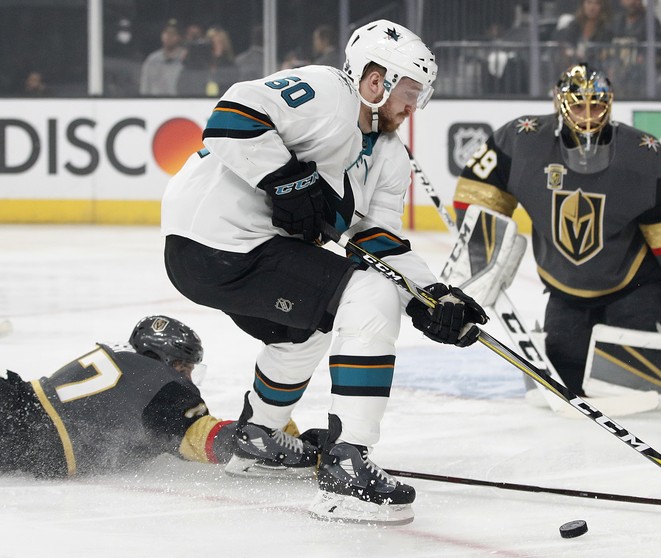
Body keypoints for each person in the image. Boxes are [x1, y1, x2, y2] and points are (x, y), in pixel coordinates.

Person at [161, 20, 486, 524]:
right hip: (216, 240)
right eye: (409, 92)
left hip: (237, 254)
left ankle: (257, 438)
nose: (412, 107)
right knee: (369, 293)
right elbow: (230, 117)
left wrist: (431, 296)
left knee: (312, 323)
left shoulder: (388, 154)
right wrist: (287, 179)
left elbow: (372, 238)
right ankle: (346, 468)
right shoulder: (327, 91)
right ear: (375, 80)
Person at [452, 63, 661, 398]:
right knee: (566, 379)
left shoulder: (641, 154)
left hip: (637, 286)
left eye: (596, 105)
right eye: (578, 105)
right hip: (568, 293)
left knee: (633, 379)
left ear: (609, 105)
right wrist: (482, 250)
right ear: (561, 105)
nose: (587, 114)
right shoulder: (522, 141)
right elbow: (477, 192)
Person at [0, 316, 301, 477]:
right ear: (161, 358)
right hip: (28, 432)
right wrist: (261, 434)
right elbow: (202, 438)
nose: (186, 376)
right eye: (183, 366)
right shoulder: (160, 385)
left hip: (19, 406)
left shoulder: (126, 363)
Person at [552, 0, 614, 70]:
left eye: (597, 3)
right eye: (589, 2)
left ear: (602, 7)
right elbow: (566, 44)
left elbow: (601, 56)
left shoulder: (606, 30)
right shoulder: (574, 25)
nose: (592, 7)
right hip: (571, 68)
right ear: (583, 4)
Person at [139, 19, 186, 96]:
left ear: (179, 37)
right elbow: (145, 88)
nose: (169, 37)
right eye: (166, 33)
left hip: (178, 104)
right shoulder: (152, 60)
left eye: (173, 34)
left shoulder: (185, 59)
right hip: (155, 104)